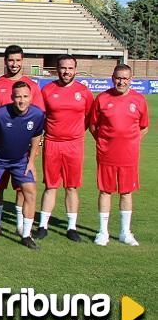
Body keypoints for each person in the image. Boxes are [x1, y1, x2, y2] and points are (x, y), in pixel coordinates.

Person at [0, 44, 45, 237]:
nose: (14, 64)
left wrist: (35, 149)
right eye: (11, 60)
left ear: (22, 61)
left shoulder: (32, 86)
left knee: (22, 189)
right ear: (5, 61)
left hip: (21, 151)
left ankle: (20, 225)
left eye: (18, 60)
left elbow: (37, 118)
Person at [90, 64, 149, 247]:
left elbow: (144, 126)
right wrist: (103, 142)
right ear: (112, 77)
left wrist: (132, 142)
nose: (121, 81)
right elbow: (93, 125)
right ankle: (103, 232)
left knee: (126, 192)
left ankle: (125, 232)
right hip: (107, 154)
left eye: (125, 78)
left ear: (131, 79)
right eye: (118, 78)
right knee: (105, 191)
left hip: (129, 156)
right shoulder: (102, 98)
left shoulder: (139, 100)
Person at [36, 54, 92, 241]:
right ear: (57, 69)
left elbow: (89, 118)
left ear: (75, 69)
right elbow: (41, 117)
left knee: (71, 187)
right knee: (51, 185)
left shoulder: (84, 92)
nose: (66, 72)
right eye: (63, 68)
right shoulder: (48, 90)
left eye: (70, 68)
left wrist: (74, 133)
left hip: (74, 145)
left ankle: (71, 227)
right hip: (52, 143)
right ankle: (43, 225)